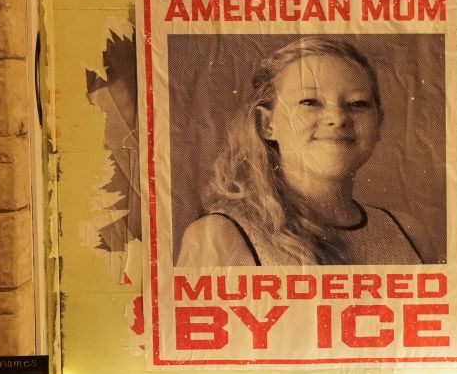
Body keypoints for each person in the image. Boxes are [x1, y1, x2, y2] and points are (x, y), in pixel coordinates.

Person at [176, 37, 423, 266]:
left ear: (379, 123)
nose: (338, 118)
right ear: (267, 124)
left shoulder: (408, 234)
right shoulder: (219, 239)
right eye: (310, 102)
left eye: (357, 104)